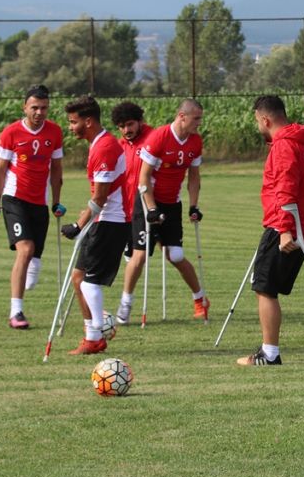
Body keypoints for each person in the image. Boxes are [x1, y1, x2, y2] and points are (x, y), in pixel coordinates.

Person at [238, 95, 304, 366]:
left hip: (281, 226)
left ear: (265, 119)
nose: (258, 126)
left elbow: (286, 188)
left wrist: (284, 230)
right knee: (267, 287)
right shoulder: (301, 142)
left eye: (257, 121)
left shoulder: (284, 146)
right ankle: (269, 351)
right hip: (301, 225)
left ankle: (269, 354)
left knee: (264, 288)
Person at [0, 84, 65, 329]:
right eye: (34, 108)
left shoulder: (54, 132)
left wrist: (56, 201)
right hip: (14, 199)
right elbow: (0, 171)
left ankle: (30, 274)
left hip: (39, 203)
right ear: (25, 107)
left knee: (34, 255)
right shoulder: (10, 133)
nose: (39, 112)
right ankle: (16, 312)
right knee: (25, 249)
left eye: (43, 108)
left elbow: (57, 170)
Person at [60, 96, 130, 355]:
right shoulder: (98, 144)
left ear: (88, 121)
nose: (70, 127)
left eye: (73, 122)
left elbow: (100, 197)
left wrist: (78, 225)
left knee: (89, 283)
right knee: (78, 279)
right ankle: (91, 335)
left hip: (111, 221)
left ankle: (96, 336)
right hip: (101, 219)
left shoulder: (104, 148)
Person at [137, 99, 210, 322]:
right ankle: (125, 306)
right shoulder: (159, 137)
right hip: (147, 201)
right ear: (182, 116)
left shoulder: (195, 142)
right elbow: (143, 176)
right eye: (196, 118)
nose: (199, 123)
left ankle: (200, 299)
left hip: (172, 203)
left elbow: (194, 177)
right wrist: (151, 208)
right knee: (137, 256)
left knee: (175, 255)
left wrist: (193, 206)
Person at [109, 101, 153, 324]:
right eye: (121, 126)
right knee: (130, 259)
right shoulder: (118, 146)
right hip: (122, 210)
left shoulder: (153, 139)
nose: (126, 130)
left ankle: (125, 304)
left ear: (139, 122)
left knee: (141, 255)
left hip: (145, 206)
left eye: (130, 124)